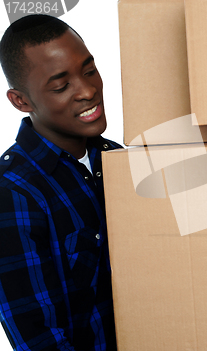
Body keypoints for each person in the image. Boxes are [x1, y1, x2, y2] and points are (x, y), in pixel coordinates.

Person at [0, 14, 120, 350]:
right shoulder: (13, 193)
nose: (88, 90)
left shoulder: (117, 159)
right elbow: (40, 340)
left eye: (89, 70)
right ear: (21, 101)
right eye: (61, 85)